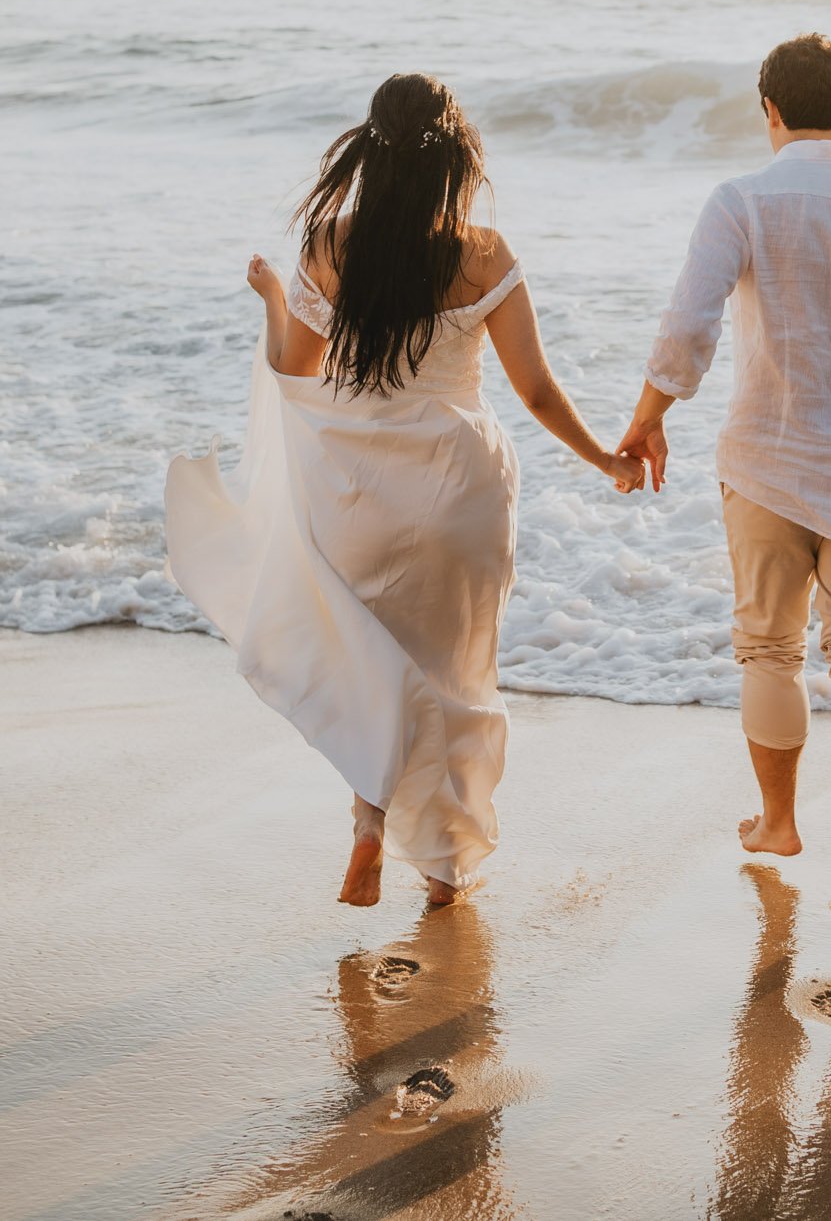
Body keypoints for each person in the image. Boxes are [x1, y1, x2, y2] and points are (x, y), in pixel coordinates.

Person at [166, 74, 643, 909]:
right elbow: (535, 392)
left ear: (371, 147)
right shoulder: (482, 253)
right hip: (460, 489)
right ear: (456, 156)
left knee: (374, 667)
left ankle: (368, 822)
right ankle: (445, 870)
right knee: (456, 675)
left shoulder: (330, 243)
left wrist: (275, 299)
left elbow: (293, 369)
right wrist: (606, 457)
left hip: (358, 490)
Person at [616, 33, 831, 920]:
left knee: (770, 648)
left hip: (767, 460)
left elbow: (687, 328)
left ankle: (777, 822)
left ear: (768, 108)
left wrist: (648, 417)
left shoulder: (740, 200)